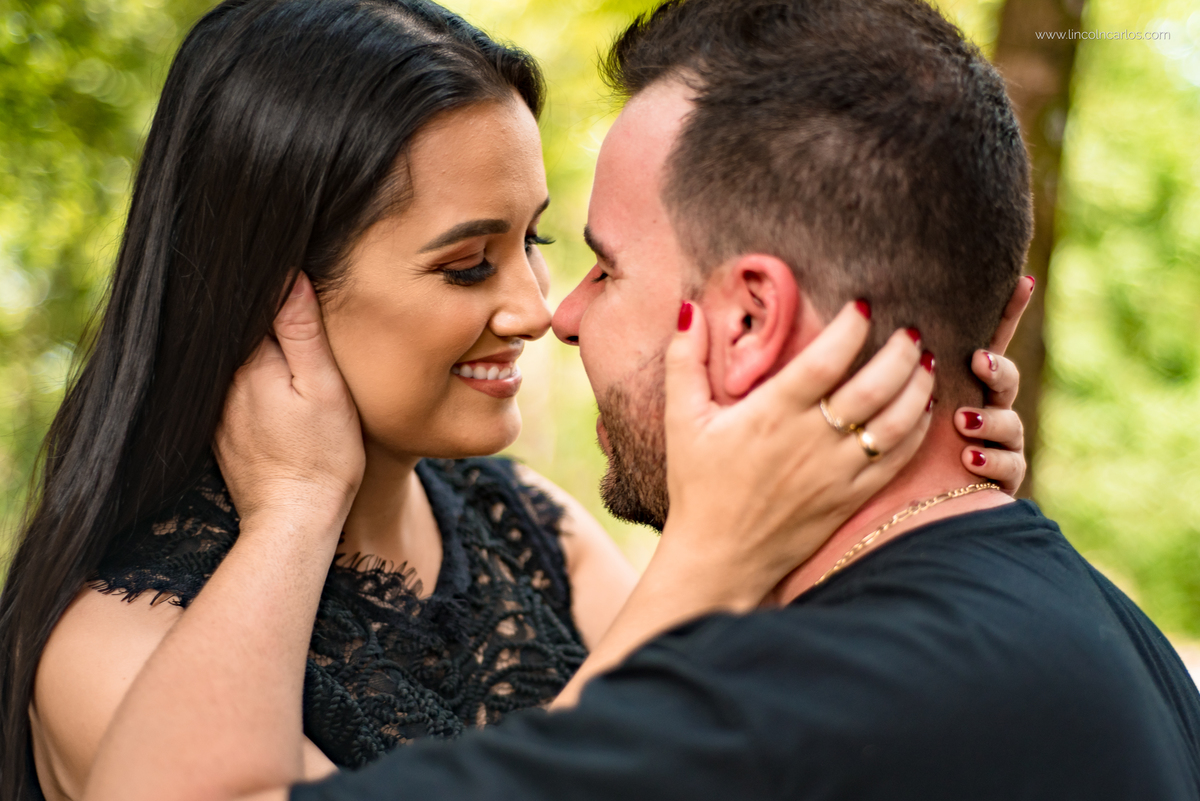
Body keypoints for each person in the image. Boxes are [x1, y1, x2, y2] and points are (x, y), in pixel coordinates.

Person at [80, 0, 1200, 799]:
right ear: (282, 296)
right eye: (470, 262)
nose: (546, 308)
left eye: (579, 255)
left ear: (750, 318)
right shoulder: (1098, 632)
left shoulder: (736, 676)